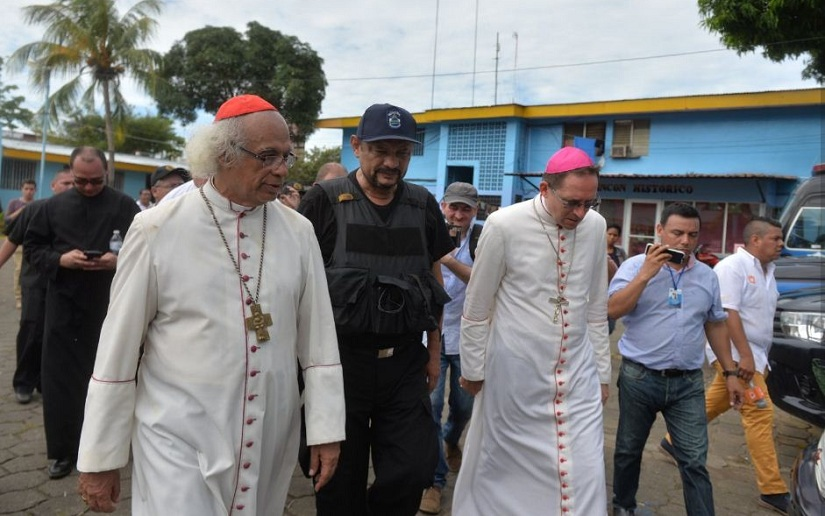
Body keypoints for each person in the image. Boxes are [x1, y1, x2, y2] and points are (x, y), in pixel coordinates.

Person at [76, 94, 345, 514]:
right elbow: (118, 349)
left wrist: (326, 429)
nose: (282, 170)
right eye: (268, 156)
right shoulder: (156, 228)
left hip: (271, 432)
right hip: (177, 436)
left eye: (286, 156)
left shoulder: (299, 232)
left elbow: (319, 340)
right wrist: (100, 458)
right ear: (222, 153)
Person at [298, 103, 453, 516]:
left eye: (402, 153)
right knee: (336, 479)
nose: (391, 162)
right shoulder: (324, 201)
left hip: (403, 363)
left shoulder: (422, 205)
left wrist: (435, 352)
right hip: (339, 364)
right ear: (357, 146)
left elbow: (432, 279)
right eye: (381, 150)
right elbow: (300, 283)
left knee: (412, 470)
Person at [453, 146, 612, 515]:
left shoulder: (596, 225)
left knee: (585, 468)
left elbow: (595, 308)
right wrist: (473, 369)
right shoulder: (504, 224)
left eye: (590, 202)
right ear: (544, 188)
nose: (581, 213)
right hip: (514, 372)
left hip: (577, 374)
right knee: (504, 468)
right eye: (572, 202)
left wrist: (602, 373)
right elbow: (477, 307)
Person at [609, 202, 746, 516]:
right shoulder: (633, 267)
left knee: (695, 460)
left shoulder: (707, 277)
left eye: (692, 234)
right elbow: (613, 309)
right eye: (677, 233)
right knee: (628, 450)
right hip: (639, 378)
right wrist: (645, 274)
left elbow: (715, 323)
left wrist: (730, 372)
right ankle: (623, 506)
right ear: (659, 231)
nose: (685, 241)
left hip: (687, 383)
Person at [24, 147, 140, 480]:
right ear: (70, 175)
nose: (88, 188)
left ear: (106, 174)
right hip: (63, 305)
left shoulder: (123, 206)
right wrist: (61, 260)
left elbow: (145, 248)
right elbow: (33, 248)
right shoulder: (51, 207)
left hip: (109, 306)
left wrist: (117, 261)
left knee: (109, 378)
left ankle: (107, 449)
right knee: (60, 382)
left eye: (95, 181)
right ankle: (61, 452)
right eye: (81, 182)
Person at [660, 217, 789, 514]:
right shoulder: (733, 268)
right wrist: (742, 357)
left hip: (755, 355)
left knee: (716, 400)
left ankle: (671, 442)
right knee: (759, 413)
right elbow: (727, 314)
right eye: (775, 238)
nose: (781, 244)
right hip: (737, 356)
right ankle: (773, 489)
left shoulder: (769, 270)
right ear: (755, 240)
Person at [420, 182, 481, 515]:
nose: (458, 215)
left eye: (465, 209)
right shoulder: (427, 233)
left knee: (463, 409)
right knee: (429, 405)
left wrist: (444, 256)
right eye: (453, 207)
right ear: (443, 206)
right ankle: (434, 481)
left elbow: (481, 280)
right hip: (434, 337)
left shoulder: (484, 239)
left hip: (469, 340)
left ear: (475, 212)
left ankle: (451, 436)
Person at [0, 170, 73, 404]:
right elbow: (11, 242)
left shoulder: (81, 213)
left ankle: (45, 382)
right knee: (32, 332)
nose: (70, 187)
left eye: (74, 183)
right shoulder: (35, 209)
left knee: (58, 336)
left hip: (68, 285)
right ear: (53, 185)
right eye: (65, 183)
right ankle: (24, 383)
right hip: (35, 283)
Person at [5, 179, 37, 309]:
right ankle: (19, 298)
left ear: (35, 190)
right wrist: (22, 211)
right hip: (17, 242)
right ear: (22, 189)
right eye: (26, 189)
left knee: (29, 271)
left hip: (32, 242)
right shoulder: (14, 203)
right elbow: (7, 219)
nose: (29, 192)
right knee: (19, 269)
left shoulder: (37, 204)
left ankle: (27, 296)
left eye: (31, 189)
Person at [607, 223, 627, 333]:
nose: (612, 237)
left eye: (615, 235)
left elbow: (624, 268)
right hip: (596, 290)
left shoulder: (620, 252)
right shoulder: (597, 249)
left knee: (610, 326)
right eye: (609, 234)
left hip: (612, 290)